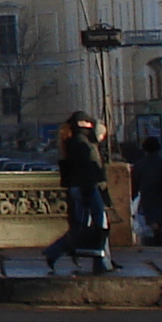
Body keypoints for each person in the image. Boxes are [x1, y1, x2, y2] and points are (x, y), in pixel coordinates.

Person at [47, 110, 112, 273]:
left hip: (81, 187)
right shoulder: (83, 144)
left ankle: (54, 252)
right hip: (87, 187)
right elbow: (88, 169)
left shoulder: (72, 141)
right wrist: (92, 188)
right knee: (98, 225)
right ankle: (100, 261)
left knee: (83, 226)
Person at [132, 137, 162, 242]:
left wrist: (133, 195)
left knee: (152, 218)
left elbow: (135, 182)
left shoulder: (140, 164)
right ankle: (158, 235)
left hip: (147, 195)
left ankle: (156, 235)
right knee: (159, 218)